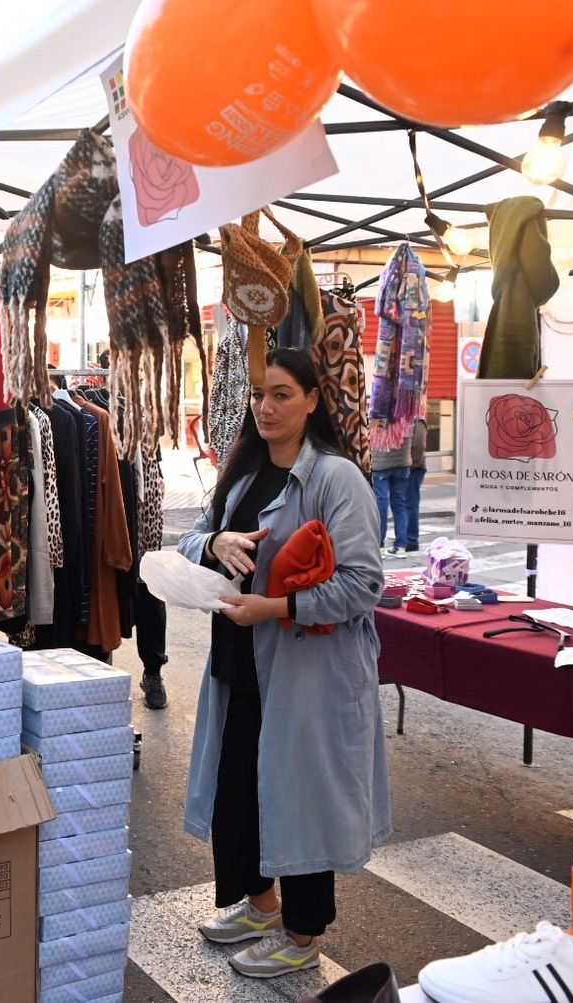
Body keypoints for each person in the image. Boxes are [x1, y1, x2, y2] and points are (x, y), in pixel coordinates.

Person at [177, 347, 389, 980]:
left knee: (300, 798)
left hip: (306, 673)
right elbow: (192, 541)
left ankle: (302, 936)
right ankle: (261, 907)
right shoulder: (244, 476)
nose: (265, 408)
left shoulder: (334, 478)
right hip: (239, 663)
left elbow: (363, 585)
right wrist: (215, 542)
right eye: (258, 395)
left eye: (282, 395)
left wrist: (273, 607)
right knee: (239, 793)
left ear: (313, 400)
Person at [370, 437, 411, 555]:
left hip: (381, 463)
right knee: (400, 505)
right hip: (402, 462)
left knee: (381, 503)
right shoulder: (405, 418)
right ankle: (401, 545)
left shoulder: (377, 418)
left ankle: (379, 544)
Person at [396, 416, 429, 554]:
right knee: (407, 504)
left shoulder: (417, 420)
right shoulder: (411, 418)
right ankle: (408, 539)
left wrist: (412, 464)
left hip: (413, 468)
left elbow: (418, 445)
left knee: (410, 504)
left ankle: (411, 540)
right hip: (410, 466)